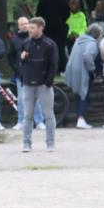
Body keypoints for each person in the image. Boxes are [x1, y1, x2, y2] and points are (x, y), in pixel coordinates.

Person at [19, 17, 59, 152]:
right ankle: (26, 143)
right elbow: (22, 63)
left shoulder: (49, 44)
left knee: (48, 115)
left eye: (33, 28)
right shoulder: (26, 43)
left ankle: (50, 143)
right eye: (29, 27)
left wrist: (48, 82)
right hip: (28, 83)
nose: (30, 30)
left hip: (43, 85)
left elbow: (53, 65)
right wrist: (22, 59)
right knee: (27, 115)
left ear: (41, 28)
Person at [7, 16, 45, 131]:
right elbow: (10, 56)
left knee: (36, 98)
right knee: (22, 98)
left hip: (35, 73)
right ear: (18, 26)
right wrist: (16, 68)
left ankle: (39, 121)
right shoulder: (14, 40)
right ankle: (21, 121)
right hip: (21, 74)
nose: (24, 25)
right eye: (22, 24)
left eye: (26, 23)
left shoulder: (35, 38)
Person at [64, 24, 102, 129]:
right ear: (97, 34)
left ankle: (79, 118)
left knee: (78, 94)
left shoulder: (79, 40)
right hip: (83, 71)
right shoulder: (92, 43)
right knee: (84, 94)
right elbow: (87, 55)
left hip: (73, 70)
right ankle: (81, 119)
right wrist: (93, 69)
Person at [36, 0, 70, 71]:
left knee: (46, 48)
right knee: (60, 48)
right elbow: (67, 13)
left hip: (47, 28)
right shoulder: (62, 0)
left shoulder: (43, 0)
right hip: (60, 28)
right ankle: (61, 68)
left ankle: (47, 68)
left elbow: (38, 14)